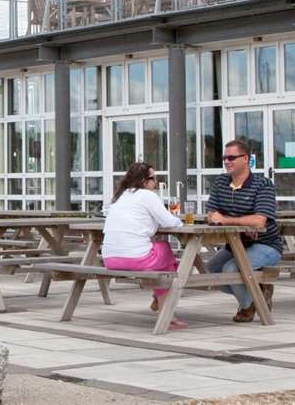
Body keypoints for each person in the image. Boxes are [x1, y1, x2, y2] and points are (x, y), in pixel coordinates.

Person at [100, 162, 187, 329]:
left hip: (110, 259)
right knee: (166, 253)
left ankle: (159, 298)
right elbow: (169, 221)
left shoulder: (121, 196)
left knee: (159, 254)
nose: (155, 182)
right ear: (144, 181)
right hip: (134, 259)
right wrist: (180, 221)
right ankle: (165, 311)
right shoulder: (148, 196)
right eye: (153, 178)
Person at [204, 137, 280, 323]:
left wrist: (227, 220)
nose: (227, 162)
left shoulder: (262, 185)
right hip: (235, 244)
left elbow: (259, 221)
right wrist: (240, 224)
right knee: (211, 271)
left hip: (266, 244)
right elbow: (212, 214)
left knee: (231, 269)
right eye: (225, 158)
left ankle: (248, 306)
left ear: (245, 158)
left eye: (231, 158)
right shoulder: (221, 182)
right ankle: (257, 294)